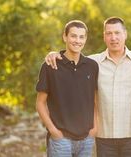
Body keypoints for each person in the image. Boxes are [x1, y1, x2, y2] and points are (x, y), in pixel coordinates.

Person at [44, 17, 131, 157]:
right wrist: (54, 54)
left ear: (125, 34)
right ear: (104, 36)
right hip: (104, 137)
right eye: (109, 33)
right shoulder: (92, 63)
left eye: (117, 33)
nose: (113, 37)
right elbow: (71, 59)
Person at [36, 20, 99, 157]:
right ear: (65, 37)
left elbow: (95, 99)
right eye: (73, 36)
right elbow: (40, 103)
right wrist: (53, 131)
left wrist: (94, 127)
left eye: (81, 37)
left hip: (86, 138)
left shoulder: (92, 66)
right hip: (61, 139)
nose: (77, 40)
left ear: (85, 39)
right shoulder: (50, 66)